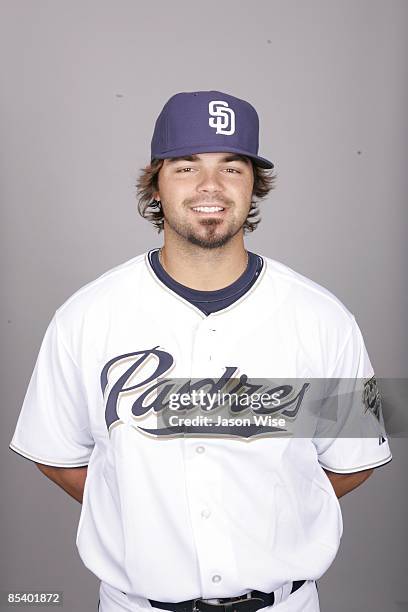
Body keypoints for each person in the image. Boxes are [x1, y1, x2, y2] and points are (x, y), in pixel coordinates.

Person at [9, 90, 392, 612]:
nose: (210, 186)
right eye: (187, 167)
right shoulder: (84, 316)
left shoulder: (326, 318)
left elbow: (356, 459)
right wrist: (140, 509)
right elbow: (55, 454)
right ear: (156, 183)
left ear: (254, 185)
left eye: (232, 168)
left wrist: (273, 508)